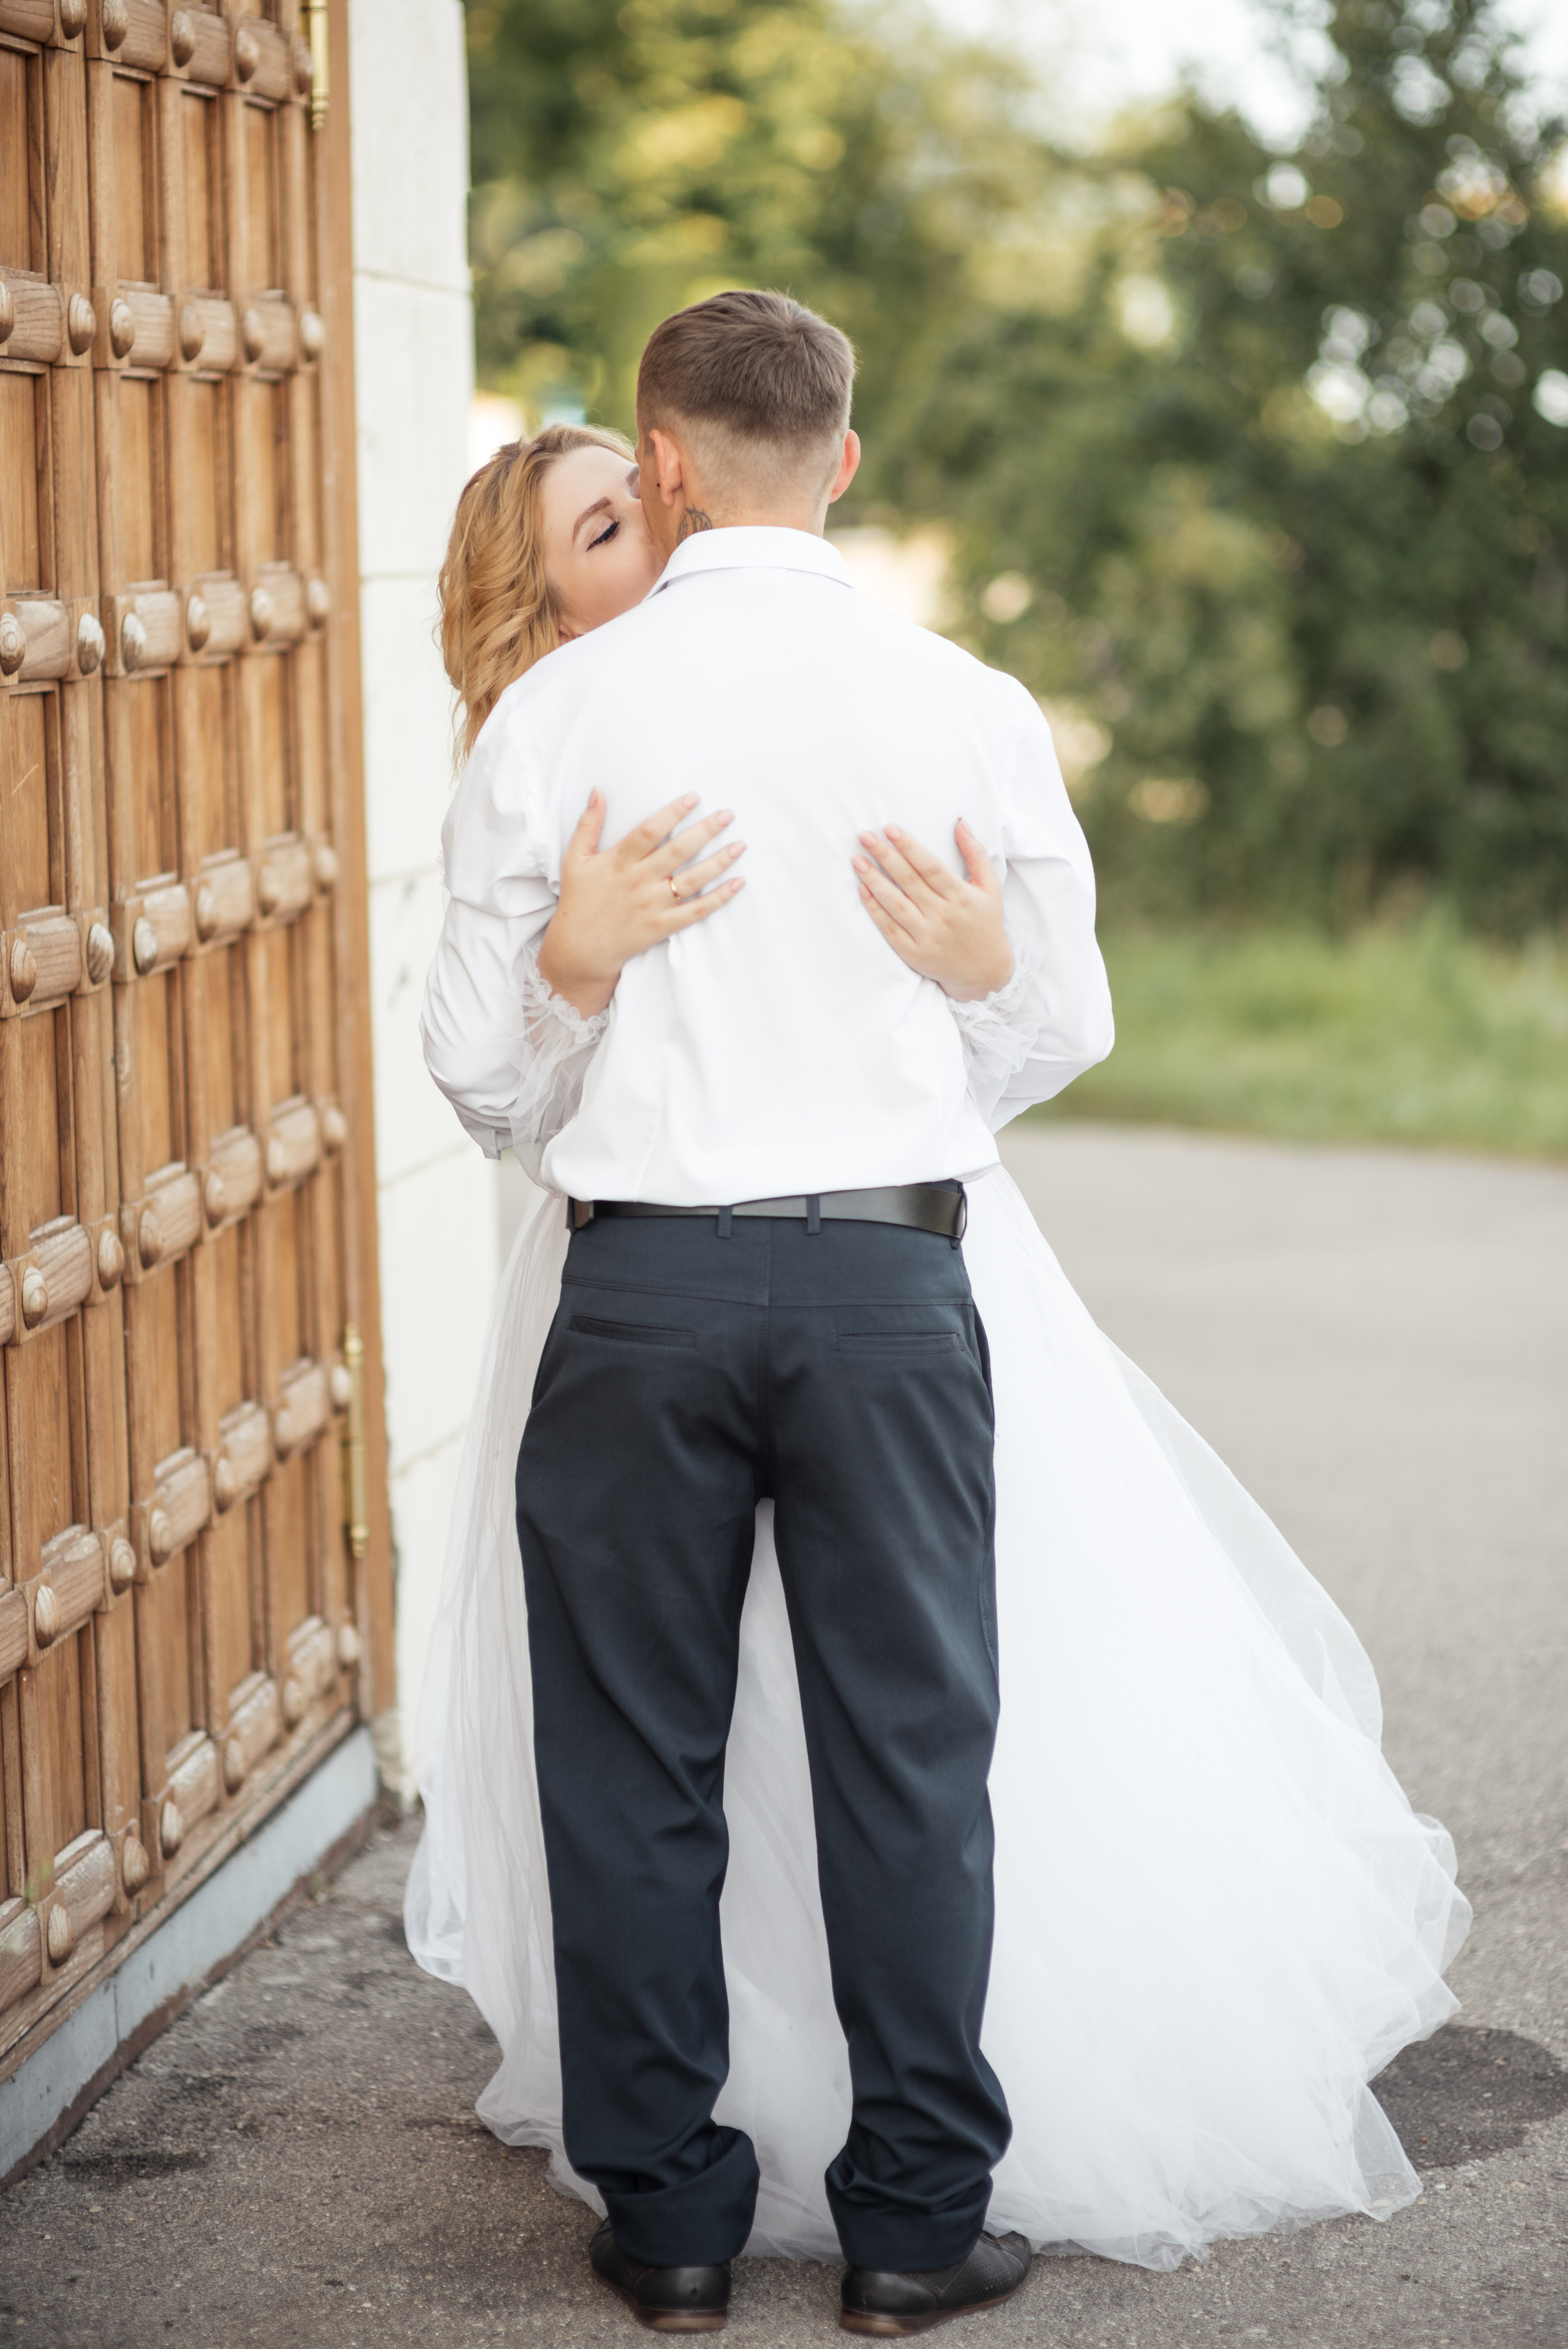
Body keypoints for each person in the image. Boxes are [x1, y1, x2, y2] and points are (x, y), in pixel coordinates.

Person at [411, 293, 1469, 2338]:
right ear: (848, 462)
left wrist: (570, 966)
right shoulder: (968, 701)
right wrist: (960, 1003)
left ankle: (673, 2219)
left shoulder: (561, 720)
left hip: (644, 1285)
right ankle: (912, 2222)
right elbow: (1058, 1027)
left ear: (665, 467)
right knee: (913, 1754)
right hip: (896, 1279)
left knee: (633, 1761)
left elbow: (480, 1084)